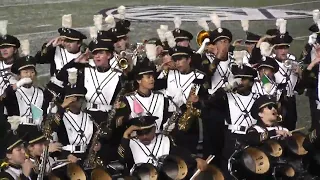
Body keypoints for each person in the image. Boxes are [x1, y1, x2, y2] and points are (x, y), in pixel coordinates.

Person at [205, 64, 259, 179]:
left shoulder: (257, 97)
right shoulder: (227, 96)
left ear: (251, 82)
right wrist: (225, 88)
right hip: (232, 138)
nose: (239, 82)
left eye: (243, 79)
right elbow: (209, 101)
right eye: (237, 78)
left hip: (252, 136)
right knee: (230, 172)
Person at [118, 115, 208, 179]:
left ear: (154, 129)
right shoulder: (131, 143)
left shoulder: (165, 139)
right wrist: (125, 135)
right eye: (140, 133)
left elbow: (181, 153)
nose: (144, 136)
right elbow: (122, 159)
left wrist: (196, 158)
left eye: (147, 133)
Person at [157, 46, 208, 155]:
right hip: (170, 117)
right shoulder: (169, 73)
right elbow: (155, 86)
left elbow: (206, 99)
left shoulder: (200, 76)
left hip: (190, 119)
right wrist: (162, 70)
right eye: (175, 60)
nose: (177, 63)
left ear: (189, 60)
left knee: (188, 152)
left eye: (180, 59)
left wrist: (198, 100)